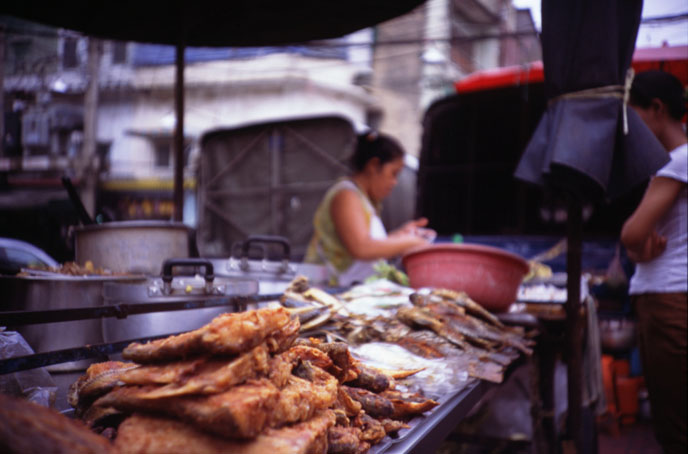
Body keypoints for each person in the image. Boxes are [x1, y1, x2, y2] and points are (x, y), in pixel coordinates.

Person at [620, 70, 687, 454]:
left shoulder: (678, 161)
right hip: (669, 295)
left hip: (668, 301)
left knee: (675, 426)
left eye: (637, 116)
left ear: (657, 109)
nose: (635, 129)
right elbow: (638, 245)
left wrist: (636, 244)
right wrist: (639, 249)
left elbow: (632, 234)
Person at [304, 131, 433, 286]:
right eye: (393, 173)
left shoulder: (366, 200)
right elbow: (362, 248)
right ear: (373, 165)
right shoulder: (346, 194)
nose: (394, 182)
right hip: (329, 289)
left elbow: (372, 245)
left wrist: (400, 236)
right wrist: (409, 242)